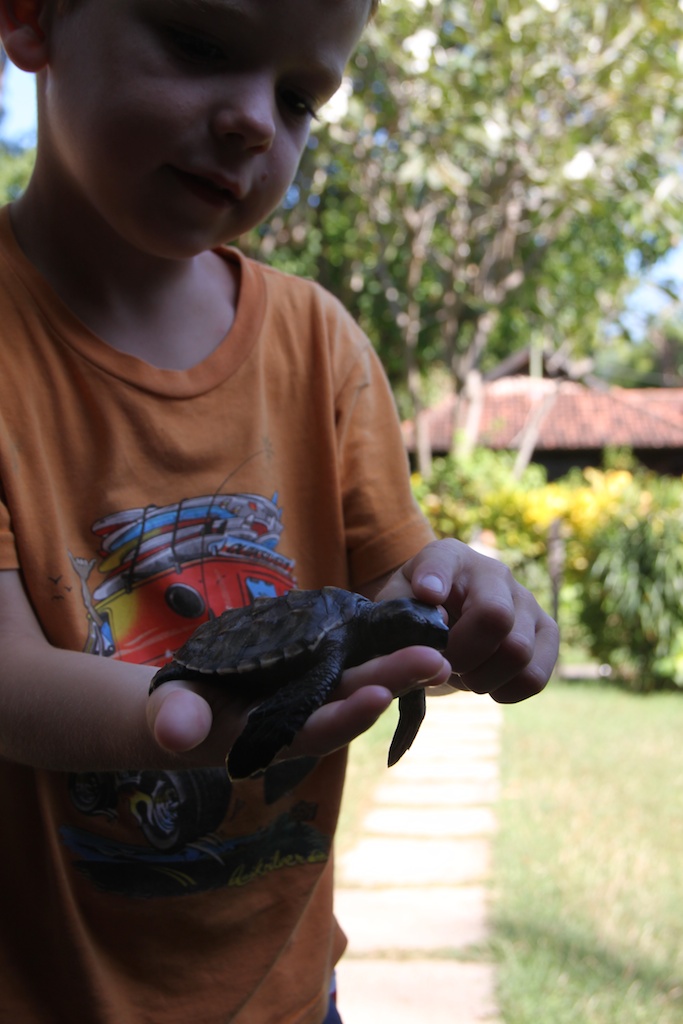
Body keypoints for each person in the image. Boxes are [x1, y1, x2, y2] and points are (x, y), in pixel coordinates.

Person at [0, 0, 559, 1021]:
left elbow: (396, 583)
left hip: (293, 991)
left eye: (300, 97)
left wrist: (460, 601)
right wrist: (180, 720)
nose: (257, 121)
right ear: (33, 19)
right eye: (199, 43)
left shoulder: (321, 345)